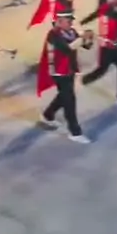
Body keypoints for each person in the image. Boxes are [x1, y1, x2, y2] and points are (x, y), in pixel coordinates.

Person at [37, 10, 93, 142]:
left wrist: (88, 39)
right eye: (69, 21)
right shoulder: (53, 34)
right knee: (69, 100)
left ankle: (48, 115)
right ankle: (75, 132)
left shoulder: (71, 32)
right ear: (60, 21)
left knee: (64, 95)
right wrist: (82, 38)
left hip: (69, 69)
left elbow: (86, 46)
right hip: (58, 71)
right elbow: (67, 48)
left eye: (71, 20)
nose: (71, 23)